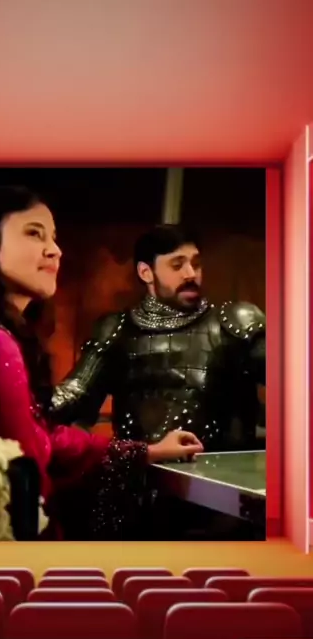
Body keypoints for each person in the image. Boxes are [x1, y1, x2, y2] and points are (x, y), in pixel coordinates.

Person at [0, 188, 203, 540]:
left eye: (54, 237)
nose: (55, 250)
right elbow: (29, 479)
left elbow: (42, 436)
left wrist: (146, 452)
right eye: (34, 233)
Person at [50, 225, 266, 539]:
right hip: (135, 501)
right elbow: (73, 395)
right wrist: (20, 402)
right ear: (146, 272)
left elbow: (296, 385)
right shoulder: (116, 330)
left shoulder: (234, 323)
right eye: (177, 265)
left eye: (196, 263)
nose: (191, 274)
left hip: (220, 508)